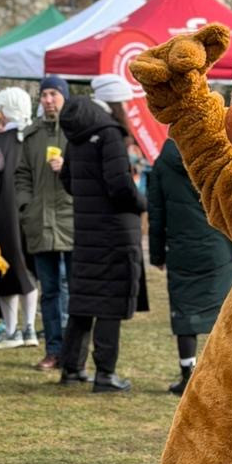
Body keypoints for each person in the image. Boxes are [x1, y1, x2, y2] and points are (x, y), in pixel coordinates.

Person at [58, 75, 145, 392]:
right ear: (117, 101)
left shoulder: (77, 133)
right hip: (115, 230)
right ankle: (105, 374)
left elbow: (66, 180)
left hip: (86, 227)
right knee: (110, 300)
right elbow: (120, 186)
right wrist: (141, 203)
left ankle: (71, 367)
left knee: (83, 301)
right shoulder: (110, 134)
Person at [147, 135, 232, 394]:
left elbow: (156, 212)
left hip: (181, 249)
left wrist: (157, 255)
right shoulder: (215, 152)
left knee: (185, 311)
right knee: (223, 313)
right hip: (219, 248)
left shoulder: (162, 161)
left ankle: (187, 373)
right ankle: (222, 375)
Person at [15, 77, 73, 372]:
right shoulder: (33, 135)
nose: (48, 99)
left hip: (71, 219)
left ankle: (73, 351)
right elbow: (21, 174)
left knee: (72, 288)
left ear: (64, 96)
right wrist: (26, 206)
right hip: (39, 220)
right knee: (49, 290)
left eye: (53, 94)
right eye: (44, 94)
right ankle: (54, 350)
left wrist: (69, 168)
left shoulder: (77, 130)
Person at [0, 87, 39, 350]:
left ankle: (12, 330)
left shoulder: (3, 139)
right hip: (28, 214)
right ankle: (26, 328)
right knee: (24, 272)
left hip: (5, 215)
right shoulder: (30, 138)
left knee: (8, 270)